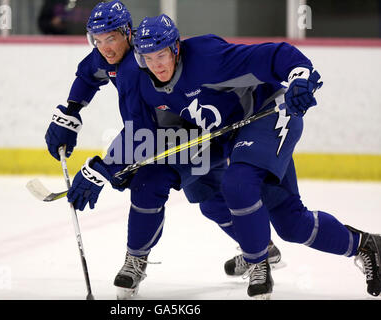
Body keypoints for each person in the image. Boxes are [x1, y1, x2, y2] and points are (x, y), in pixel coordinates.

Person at [127, 14, 381, 299]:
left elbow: (275, 55)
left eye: (161, 54)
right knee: (285, 222)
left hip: (269, 115)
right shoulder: (147, 85)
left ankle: (257, 261)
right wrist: (118, 164)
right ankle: (366, 245)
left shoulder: (208, 57)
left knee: (239, 184)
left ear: (175, 48)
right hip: (230, 136)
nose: (156, 64)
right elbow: (161, 130)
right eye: (147, 58)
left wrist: (300, 75)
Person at [44, 1, 282, 299]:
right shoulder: (109, 55)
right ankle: (261, 249)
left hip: (187, 137)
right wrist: (71, 110)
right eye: (98, 39)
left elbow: (140, 133)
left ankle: (135, 260)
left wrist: (103, 169)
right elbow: (89, 74)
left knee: (149, 183)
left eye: (111, 38)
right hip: (175, 135)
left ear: (128, 33)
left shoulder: (135, 67)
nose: (105, 47)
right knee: (210, 201)